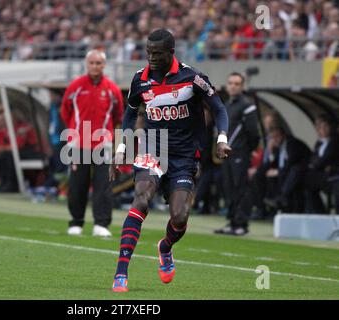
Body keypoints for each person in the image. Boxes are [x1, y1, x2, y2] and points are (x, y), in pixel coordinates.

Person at [110, 29, 230, 292]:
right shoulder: (139, 80)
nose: (151, 57)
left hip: (185, 155)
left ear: (171, 53)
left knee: (180, 215)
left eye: (157, 53)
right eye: (148, 52)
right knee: (141, 199)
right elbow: (130, 115)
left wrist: (221, 137)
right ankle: (121, 273)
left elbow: (219, 108)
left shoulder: (193, 78)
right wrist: (121, 147)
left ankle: (165, 247)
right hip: (153, 149)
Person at [60, 49, 124, 237]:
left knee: (103, 185)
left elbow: (118, 115)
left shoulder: (112, 89)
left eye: (99, 63)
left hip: (103, 144)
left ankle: (101, 224)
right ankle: (76, 222)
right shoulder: (76, 87)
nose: (95, 66)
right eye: (92, 63)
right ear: (86, 64)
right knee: (77, 184)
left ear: (104, 65)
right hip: (78, 143)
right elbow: (66, 112)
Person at [214, 72, 260, 236]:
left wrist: (246, 150)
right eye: (230, 83)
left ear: (242, 86)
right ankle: (233, 222)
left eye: (237, 83)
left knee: (241, 188)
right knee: (228, 188)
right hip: (228, 155)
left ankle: (242, 224)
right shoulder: (227, 104)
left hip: (240, 153)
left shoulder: (247, 105)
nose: (233, 86)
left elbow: (254, 133)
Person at [261, 126, 312, 212]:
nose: (274, 140)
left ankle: (281, 199)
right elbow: (274, 163)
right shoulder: (278, 147)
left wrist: (277, 172)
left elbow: (291, 163)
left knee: (284, 174)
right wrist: (270, 151)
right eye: (272, 138)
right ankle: (272, 205)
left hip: (304, 172)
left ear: (283, 135)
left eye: (276, 136)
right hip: (291, 172)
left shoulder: (292, 144)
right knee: (266, 174)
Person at [304, 115, 339, 213]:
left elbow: (326, 159)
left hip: (333, 174)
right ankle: (317, 211)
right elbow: (313, 158)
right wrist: (314, 165)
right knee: (305, 179)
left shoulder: (335, 141)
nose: (321, 129)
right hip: (323, 174)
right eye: (320, 127)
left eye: (325, 127)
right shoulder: (320, 143)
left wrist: (316, 165)